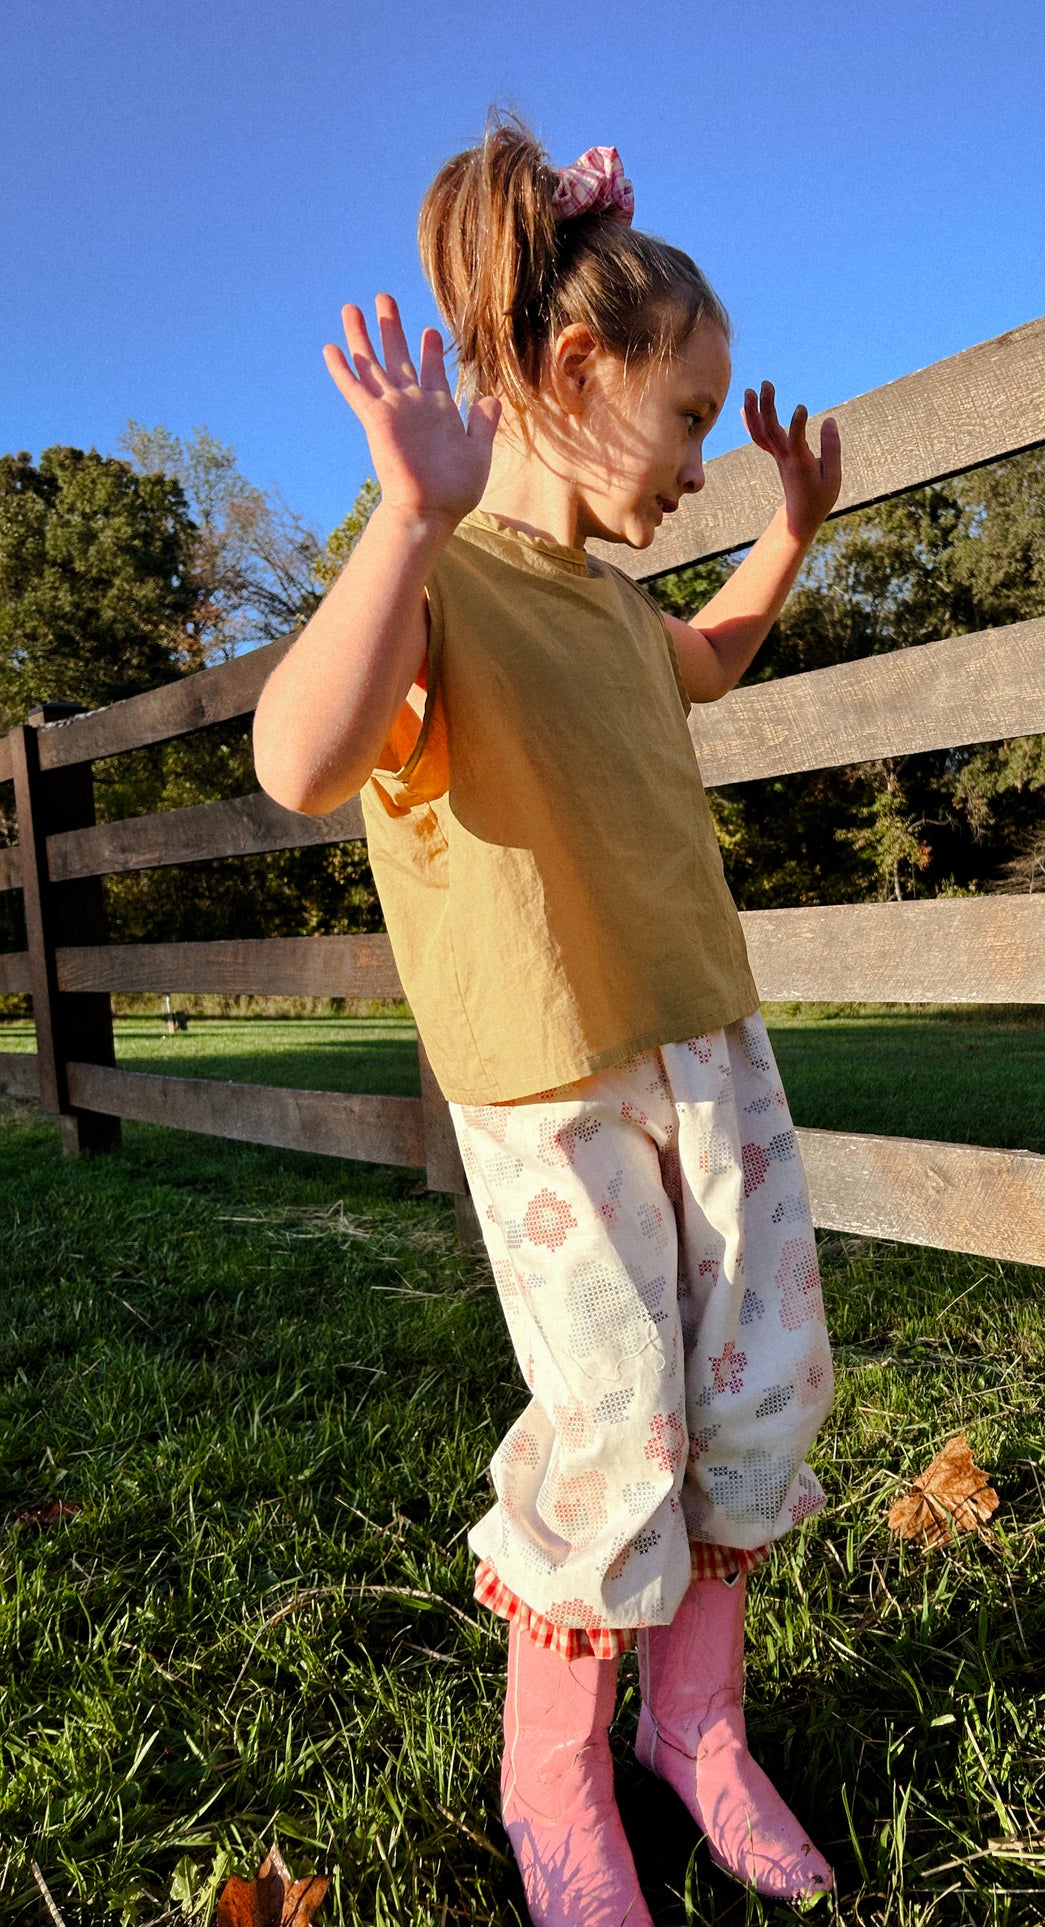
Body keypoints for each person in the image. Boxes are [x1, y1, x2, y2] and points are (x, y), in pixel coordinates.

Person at [253, 114, 842, 1927]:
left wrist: (795, 533)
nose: (693, 463)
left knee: (755, 1389)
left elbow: (715, 657)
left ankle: (698, 1733)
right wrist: (403, 515)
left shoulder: (611, 599)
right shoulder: (436, 591)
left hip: (708, 1047)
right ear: (573, 371)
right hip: (551, 1093)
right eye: (686, 419)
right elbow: (296, 761)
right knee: (616, 1426)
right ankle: (553, 1784)